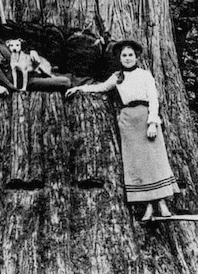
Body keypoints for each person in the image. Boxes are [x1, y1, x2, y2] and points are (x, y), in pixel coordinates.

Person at [66, 39, 179, 220]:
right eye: (124, 55)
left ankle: (162, 204)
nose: (127, 58)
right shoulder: (117, 77)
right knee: (138, 163)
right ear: (120, 58)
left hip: (145, 118)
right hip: (128, 122)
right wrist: (79, 88)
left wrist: (152, 122)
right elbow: (101, 87)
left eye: (130, 55)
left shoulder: (144, 75)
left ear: (136, 57)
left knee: (154, 160)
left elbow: (154, 98)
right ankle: (148, 207)